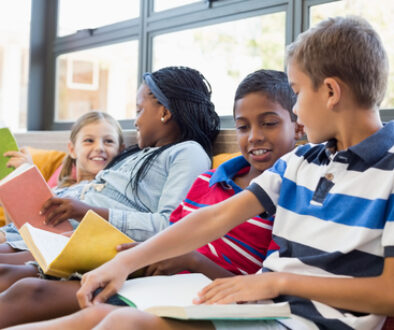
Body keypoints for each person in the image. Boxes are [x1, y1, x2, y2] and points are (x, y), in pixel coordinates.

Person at [17, 15, 393, 330]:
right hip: (265, 313)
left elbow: (389, 293)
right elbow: (215, 217)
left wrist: (276, 281)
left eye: (296, 93)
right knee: (98, 316)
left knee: (121, 324)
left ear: (330, 92)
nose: (295, 109)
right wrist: (123, 262)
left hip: (306, 323)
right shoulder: (302, 161)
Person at [0, 68, 304, 329]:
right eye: (242, 127)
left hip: (205, 295)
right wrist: (139, 257)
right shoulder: (206, 182)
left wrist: (190, 259)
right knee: (27, 287)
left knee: (50, 296)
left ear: (299, 127)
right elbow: (170, 236)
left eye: (269, 123)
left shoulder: (290, 195)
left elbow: (264, 284)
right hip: (149, 280)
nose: (253, 136)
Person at [0, 111, 124, 267]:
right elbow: (17, 225)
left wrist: (29, 177)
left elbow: (53, 221)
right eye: (89, 140)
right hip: (13, 236)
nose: (99, 147)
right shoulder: (60, 188)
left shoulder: (103, 193)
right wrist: (9, 190)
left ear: (121, 150)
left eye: (109, 141)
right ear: (72, 149)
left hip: (37, 244)